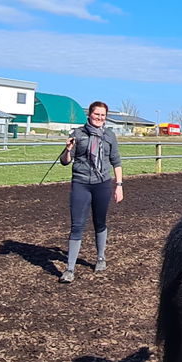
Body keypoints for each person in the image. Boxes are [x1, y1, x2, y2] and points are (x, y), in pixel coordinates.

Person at [58, 101, 124, 283]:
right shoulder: (77, 134)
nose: (100, 118)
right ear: (90, 115)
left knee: (100, 221)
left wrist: (119, 185)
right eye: (97, 114)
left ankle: (101, 258)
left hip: (102, 183)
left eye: (103, 115)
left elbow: (116, 161)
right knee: (77, 225)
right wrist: (68, 149)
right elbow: (65, 161)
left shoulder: (109, 136)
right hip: (81, 183)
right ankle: (69, 269)